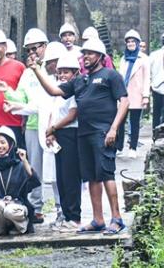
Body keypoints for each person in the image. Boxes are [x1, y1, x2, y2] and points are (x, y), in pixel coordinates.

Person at [31, 38, 129, 235]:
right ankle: (98, 219)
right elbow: (53, 91)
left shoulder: (110, 75)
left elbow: (125, 102)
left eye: (91, 53)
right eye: (84, 53)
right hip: (83, 134)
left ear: (100, 56)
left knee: (106, 174)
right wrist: (36, 70)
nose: (86, 57)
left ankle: (116, 219)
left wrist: (113, 129)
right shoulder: (80, 81)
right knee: (91, 177)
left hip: (103, 132)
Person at [0, 34, 64, 224]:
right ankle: (36, 208)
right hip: (33, 126)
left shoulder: (59, 72)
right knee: (34, 169)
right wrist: (8, 94)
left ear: (45, 46)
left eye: (35, 48)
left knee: (55, 170)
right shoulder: (28, 73)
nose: (32, 53)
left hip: (57, 129)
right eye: (28, 50)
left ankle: (62, 208)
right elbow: (23, 98)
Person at [0, 126, 41, 236]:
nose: (0, 146)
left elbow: (34, 181)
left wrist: (24, 160)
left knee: (9, 210)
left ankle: (21, 227)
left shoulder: (19, 165)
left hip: (16, 206)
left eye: (3, 142)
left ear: (10, 144)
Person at [45, 54, 82, 231]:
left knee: (70, 177)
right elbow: (54, 113)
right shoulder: (60, 90)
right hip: (59, 134)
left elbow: (72, 115)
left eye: (66, 72)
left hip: (71, 133)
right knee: (61, 177)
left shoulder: (74, 89)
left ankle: (74, 217)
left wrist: (53, 128)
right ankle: (66, 215)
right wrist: (51, 130)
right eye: (60, 72)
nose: (62, 75)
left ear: (75, 73)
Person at [117, 30, 150, 159]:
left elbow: (147, 78)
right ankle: (119, 146)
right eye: (128, 42)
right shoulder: (123, 58)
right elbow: (120, 77)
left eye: (133, 41)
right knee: (120, 121)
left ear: (137, 43)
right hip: (124, 94)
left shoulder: (144, 58)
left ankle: (133, 147)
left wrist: (146, 96)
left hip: (137, 94)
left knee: (134, 123)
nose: (130, 44)